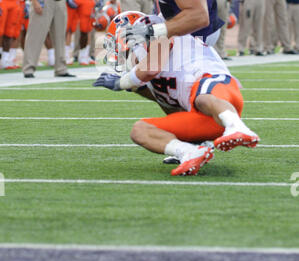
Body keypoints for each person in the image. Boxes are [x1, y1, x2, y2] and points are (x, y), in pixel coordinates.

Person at [93, 11, 259, 176]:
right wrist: (135, 87)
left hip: (218, 90)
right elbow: (172, 107)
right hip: (206, 120)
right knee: (140, 130)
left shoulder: (155, 29)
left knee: (201, 98)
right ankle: (189, 152)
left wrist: (122, 83)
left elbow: (152, 67)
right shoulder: (143, 75)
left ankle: (237, 126)